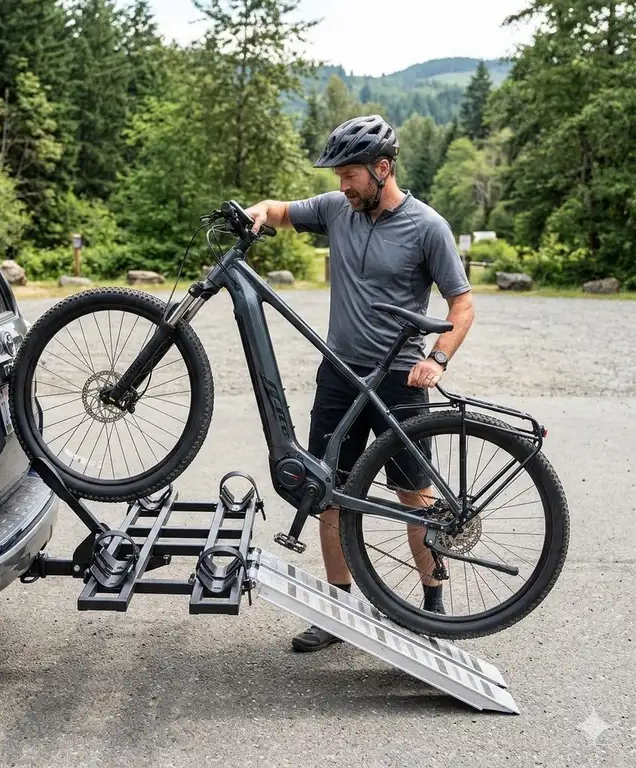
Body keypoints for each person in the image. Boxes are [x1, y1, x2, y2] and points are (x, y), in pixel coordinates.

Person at [245, 114, 475, 652]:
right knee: (330, 493)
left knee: (414, 496)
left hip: (399, 380)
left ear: (383, 168)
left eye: (350, 175)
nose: (341, 185)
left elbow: (461, 305)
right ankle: (337, 611)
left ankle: (433, 610)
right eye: (338, 176)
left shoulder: (427, 227)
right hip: (339, 376)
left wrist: (438, 359)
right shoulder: (336, 210)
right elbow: (281, 213)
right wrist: (258, 212)